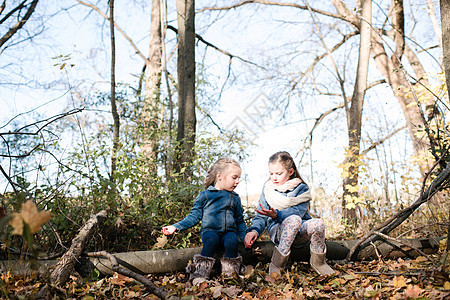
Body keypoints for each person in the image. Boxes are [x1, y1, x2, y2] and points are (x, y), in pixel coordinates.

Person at [244, 151, 335, 277]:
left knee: (317, 223)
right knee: (294, 220)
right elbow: (261, 215)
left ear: (291, 172)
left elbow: (298, 211)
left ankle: (318, 263)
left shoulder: (301, 188)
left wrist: (277, 214)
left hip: (300, 231)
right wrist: (254, 231)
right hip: (279, 231)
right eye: (271, 173)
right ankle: (277, 264)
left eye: (279, 173)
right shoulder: (268, 189)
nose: (274, 177)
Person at [162, 158, 247, 282]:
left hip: (229, 232)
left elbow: (240, 220)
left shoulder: (235, 198)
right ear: (219, 176)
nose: (237, 181)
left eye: (239, 178)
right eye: (234, 177)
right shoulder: (205, 195)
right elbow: (194, 216)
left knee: (232, 241)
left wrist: (245, 236)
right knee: (211, 240)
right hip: (210, 231)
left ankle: (231, 275)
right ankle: (199, 275)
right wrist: (175, 226)